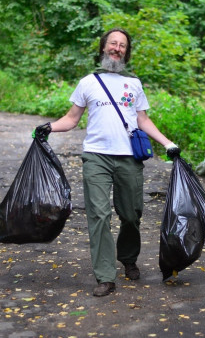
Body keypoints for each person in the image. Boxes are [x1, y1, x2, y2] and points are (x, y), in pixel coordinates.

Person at [33, 28, 181, 297]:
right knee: (98, 215)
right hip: (96, 157)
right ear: (103, 47)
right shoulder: (88, 82)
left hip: (129, 158)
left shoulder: (134, 84)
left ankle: (128, 257)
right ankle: (105, 276)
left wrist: (167, 143)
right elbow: (72, 118)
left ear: (126, 51)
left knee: (131, 214)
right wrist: (49, 127)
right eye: (113, 43)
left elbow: (143, 120)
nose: (117, 48)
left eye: (122, 45)